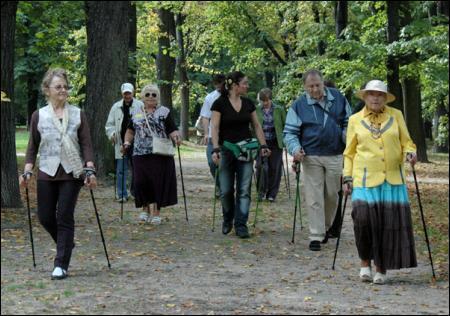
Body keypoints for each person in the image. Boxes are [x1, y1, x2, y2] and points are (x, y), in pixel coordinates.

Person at [19, 68, 97, 280]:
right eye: (58, 87)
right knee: (45, 217)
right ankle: (67, 242)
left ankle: (61, 264)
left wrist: (89, 167)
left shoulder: (78, 113)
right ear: (47, 90)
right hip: (47, 170)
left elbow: (86, 143)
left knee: (64, 215)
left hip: (72, 172)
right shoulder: (39, 115)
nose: (63, 90)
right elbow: (32, 146)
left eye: (65, 86)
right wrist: (27, 170)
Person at [343, 80, 418, 284]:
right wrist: (347, 177)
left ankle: (381, 269)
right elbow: (349, 153)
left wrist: (411, 152)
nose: (375, 98)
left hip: (392, 179)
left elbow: (407, 142)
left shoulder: (396, 116)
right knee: (363, 220)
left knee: (387, 225)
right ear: (365, 97)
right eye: (371, 94)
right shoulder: (355, 120)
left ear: (385, 98)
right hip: (364, 179)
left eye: (380, 94)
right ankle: (365, 263)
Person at [283, 69, 352, 251]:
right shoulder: (298, 105)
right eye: (310, 87)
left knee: (331, 194)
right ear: (305, 87)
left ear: (323, 83)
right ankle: (316, 234)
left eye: (317, 85)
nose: (314, 90)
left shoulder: (338, 98)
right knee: (314, 196)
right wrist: (295, 149)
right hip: (311, 155)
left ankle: (327, 227)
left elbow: (349, 122)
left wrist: (347, 139)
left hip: (335, 154)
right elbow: (290, 132)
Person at [211, 71, 271, 239]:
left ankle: (241, 224)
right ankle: (227, 219)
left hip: (246, 150)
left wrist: (263, 144)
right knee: (225, 190)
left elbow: (257, 126)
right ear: (234, 85)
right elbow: (214, 127)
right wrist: (215, 149)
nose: (247, 85)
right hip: (226, 150)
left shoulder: (248, 103)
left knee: (244, 189)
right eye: (244, 83)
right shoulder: (219, 103)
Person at [122, 84, 181, 224]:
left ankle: (156, 212)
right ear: (142, 96)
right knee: (141, 182)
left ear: (158, 97)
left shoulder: (164, 112)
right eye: (147, 94)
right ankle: (145, 209)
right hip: (139, 152)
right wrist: (126, 143)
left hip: (159, 153)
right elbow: (130, 131)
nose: (150, 97)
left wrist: (176, 137)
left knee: (157, 182)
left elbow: (172, 129)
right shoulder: (136, 111)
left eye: (153, 94)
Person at [105, 83, 143, 202]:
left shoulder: (140, 105)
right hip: (121, 144)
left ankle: (135, 192)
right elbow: (109, 125)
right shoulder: (116, 107)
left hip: (136, 143)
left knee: (137, 169)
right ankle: (121, 194)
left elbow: (143, 122)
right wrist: (112, 134)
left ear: (133, 93)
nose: (127, 95)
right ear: (122, 93)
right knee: (121, 170)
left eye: (129, 93)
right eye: (125, 93)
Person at [255, 88, 286, 202]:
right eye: (262, 101)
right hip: (261, 142)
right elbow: (253, 126)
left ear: (271, 99)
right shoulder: (256, 110)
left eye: (267, 100)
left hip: (276, 142)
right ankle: (261, 192)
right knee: (261, 166)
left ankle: (272, 194)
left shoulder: (279, 109)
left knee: (275, 168)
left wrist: (285, 140)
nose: (265, 103)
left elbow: (285, 125)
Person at [200, 74, 226, 193]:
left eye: (221, 84)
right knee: (212, 162)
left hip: (227, 136)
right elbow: (205, 116)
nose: (219, 87)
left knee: (225, 163)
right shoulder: (210, 97)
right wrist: (206, 133)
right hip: (212, 135)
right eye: (216, 84)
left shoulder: (231, 96)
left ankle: (225, 187)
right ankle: (220, 186)